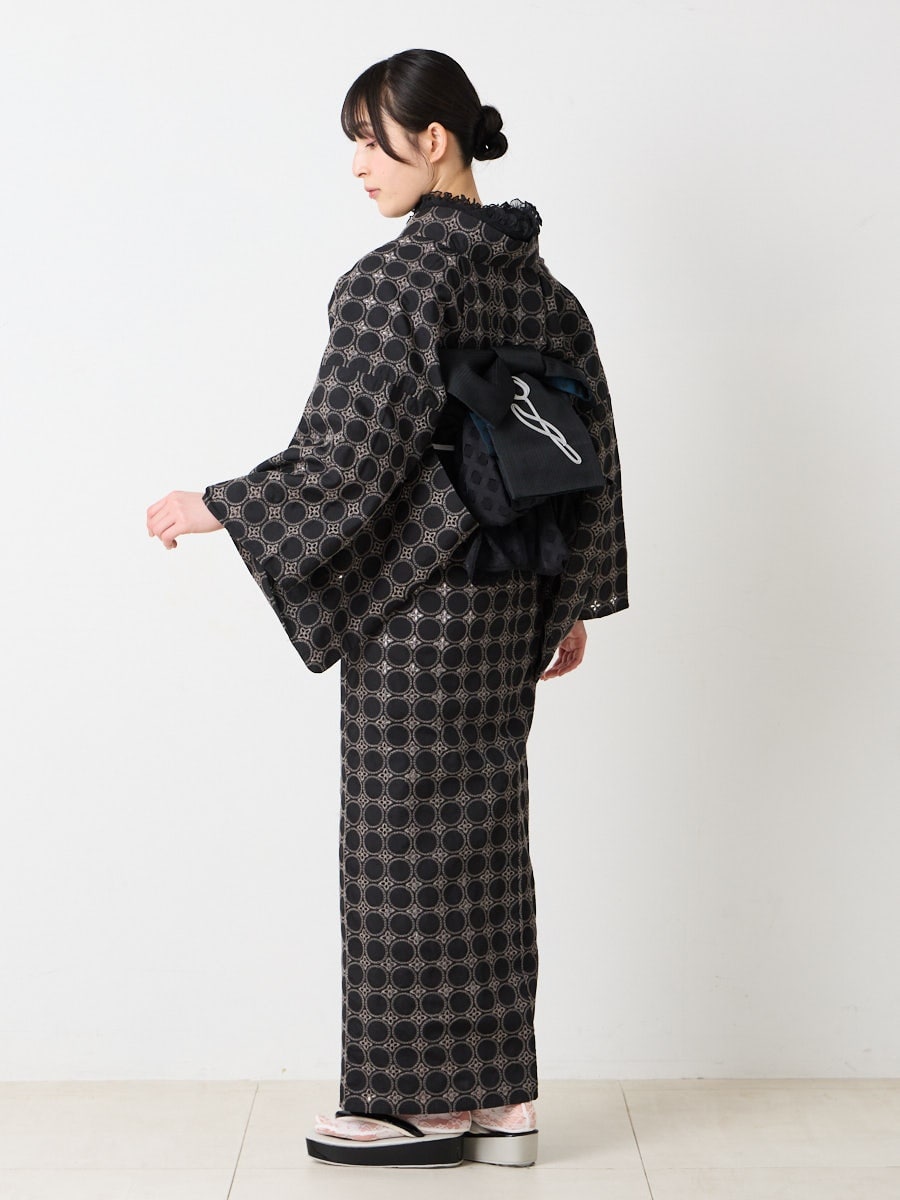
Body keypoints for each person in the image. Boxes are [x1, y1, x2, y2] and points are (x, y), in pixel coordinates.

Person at [146, 48, 628, 1169]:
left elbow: (346, 455)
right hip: (513, 593)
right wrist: (571, 598)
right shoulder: (545, 293)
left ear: (435, 140)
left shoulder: (398, 280)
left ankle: (412, 1103)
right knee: (485, 839)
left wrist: (217, 504)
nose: (359, 165)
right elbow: (590, 452)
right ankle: (500, 1098)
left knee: (401, 839)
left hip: (424, 603)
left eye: (373, 139)